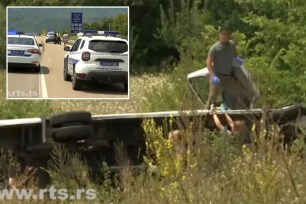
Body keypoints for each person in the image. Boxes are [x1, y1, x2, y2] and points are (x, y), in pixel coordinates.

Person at [206, 27, 245, 113]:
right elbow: (208, 62)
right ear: (220, 36)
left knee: (240, 93)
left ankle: (240, 114)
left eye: (225, 36)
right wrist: (212, 76)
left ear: (228, 37)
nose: (223, 38)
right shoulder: (215, 49)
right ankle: (204, 117)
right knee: (212, 98)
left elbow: (234, 55)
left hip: (227, 77)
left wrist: (238, 59)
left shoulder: (232, 45)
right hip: (217, 76)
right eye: (222, 36)